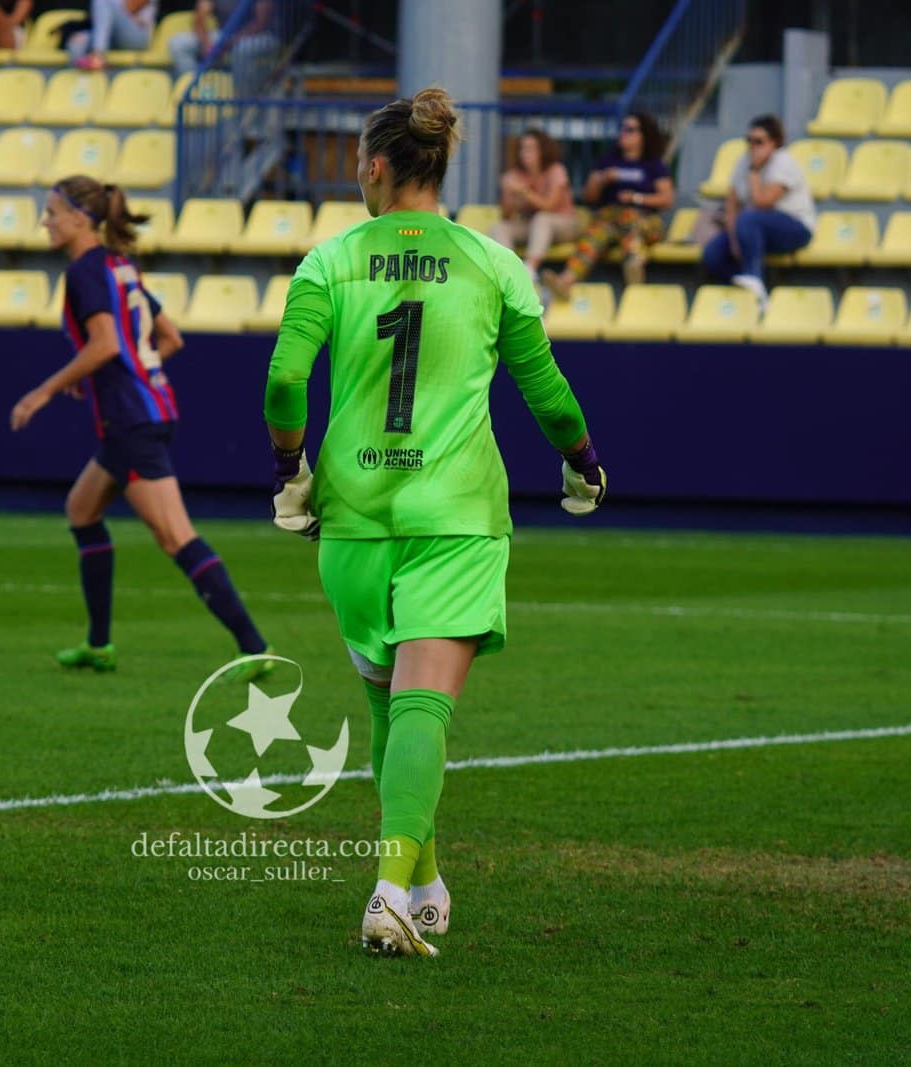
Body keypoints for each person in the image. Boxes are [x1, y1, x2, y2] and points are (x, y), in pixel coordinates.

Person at [263, 88, 605, 957]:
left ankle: (420, 878)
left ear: (377, 167)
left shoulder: (329, 260)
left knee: (392, 708)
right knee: (424, 707)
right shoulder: (492, 263)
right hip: (454, 514)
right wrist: (582, 460)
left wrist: (288, 471)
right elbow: (547, 393)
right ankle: (386, 888)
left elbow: (281, 385)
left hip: (351, 520)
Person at [9, 174, 274, 677]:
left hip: (132, 420)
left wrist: (43, 391)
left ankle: (253, 646)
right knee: (82, 510)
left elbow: (107, 345)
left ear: (80, 219)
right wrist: (114, 377)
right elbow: (168, 338)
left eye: (51, 212)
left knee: (176, 536)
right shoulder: (118, 265)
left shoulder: (87, 271)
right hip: (138, 414)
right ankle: (99, 644)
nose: (44, 221)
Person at [541, 110, 673, 300]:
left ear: (643, 135)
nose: (623, 133)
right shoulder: (608, 161)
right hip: (610, 220)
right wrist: (601, 179)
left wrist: (635, 198)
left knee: (631, 224)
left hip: (645, 220)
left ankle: (635, 268)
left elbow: (667, 199)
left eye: (630, 129)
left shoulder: (653, 164)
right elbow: (589, 197)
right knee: (593, 236)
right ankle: (565, 281)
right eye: (622, 128)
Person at [700, 114, 815, 309]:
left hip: (794, 227)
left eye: (759, 142)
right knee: (713, 254)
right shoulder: (742, 161)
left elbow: (762, 202)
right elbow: (731, 204)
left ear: (774, 143)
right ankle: (747, 296)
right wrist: (735, 239)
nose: (753, 147)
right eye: (749, 141)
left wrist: (754, 171)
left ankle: (754, 278)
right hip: (752, 229)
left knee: (749, 217)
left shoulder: (783, 162)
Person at [490, 129, 579, 279]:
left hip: (564, 223)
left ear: (542, 150)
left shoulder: (556, 170)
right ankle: (512, 272)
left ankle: (529, 269)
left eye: (530, 148)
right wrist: (508, 193)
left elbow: (549, 206)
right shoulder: (516, 175)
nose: (524, 153)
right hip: (532, 226)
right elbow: (506, 215)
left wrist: (523, 191)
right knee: (499, 227)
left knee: (542, 218)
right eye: (522, 148)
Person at [68, 0, 157, 71]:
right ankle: (78, 87)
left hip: (137, 36)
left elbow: (131, 7)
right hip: (109, 37)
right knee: (77, 42)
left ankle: (98, 55)